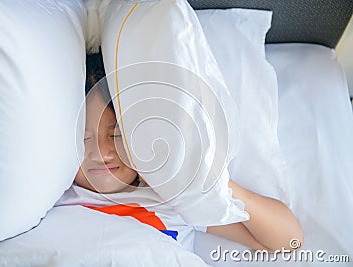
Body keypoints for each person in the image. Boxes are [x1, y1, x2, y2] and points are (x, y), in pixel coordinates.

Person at [63, 51, 304, 253]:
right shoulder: (53, 200)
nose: (100, 153)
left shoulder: (173, 202)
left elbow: (288, 241)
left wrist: (204, 178)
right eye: (83, 138)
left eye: (116, 136)